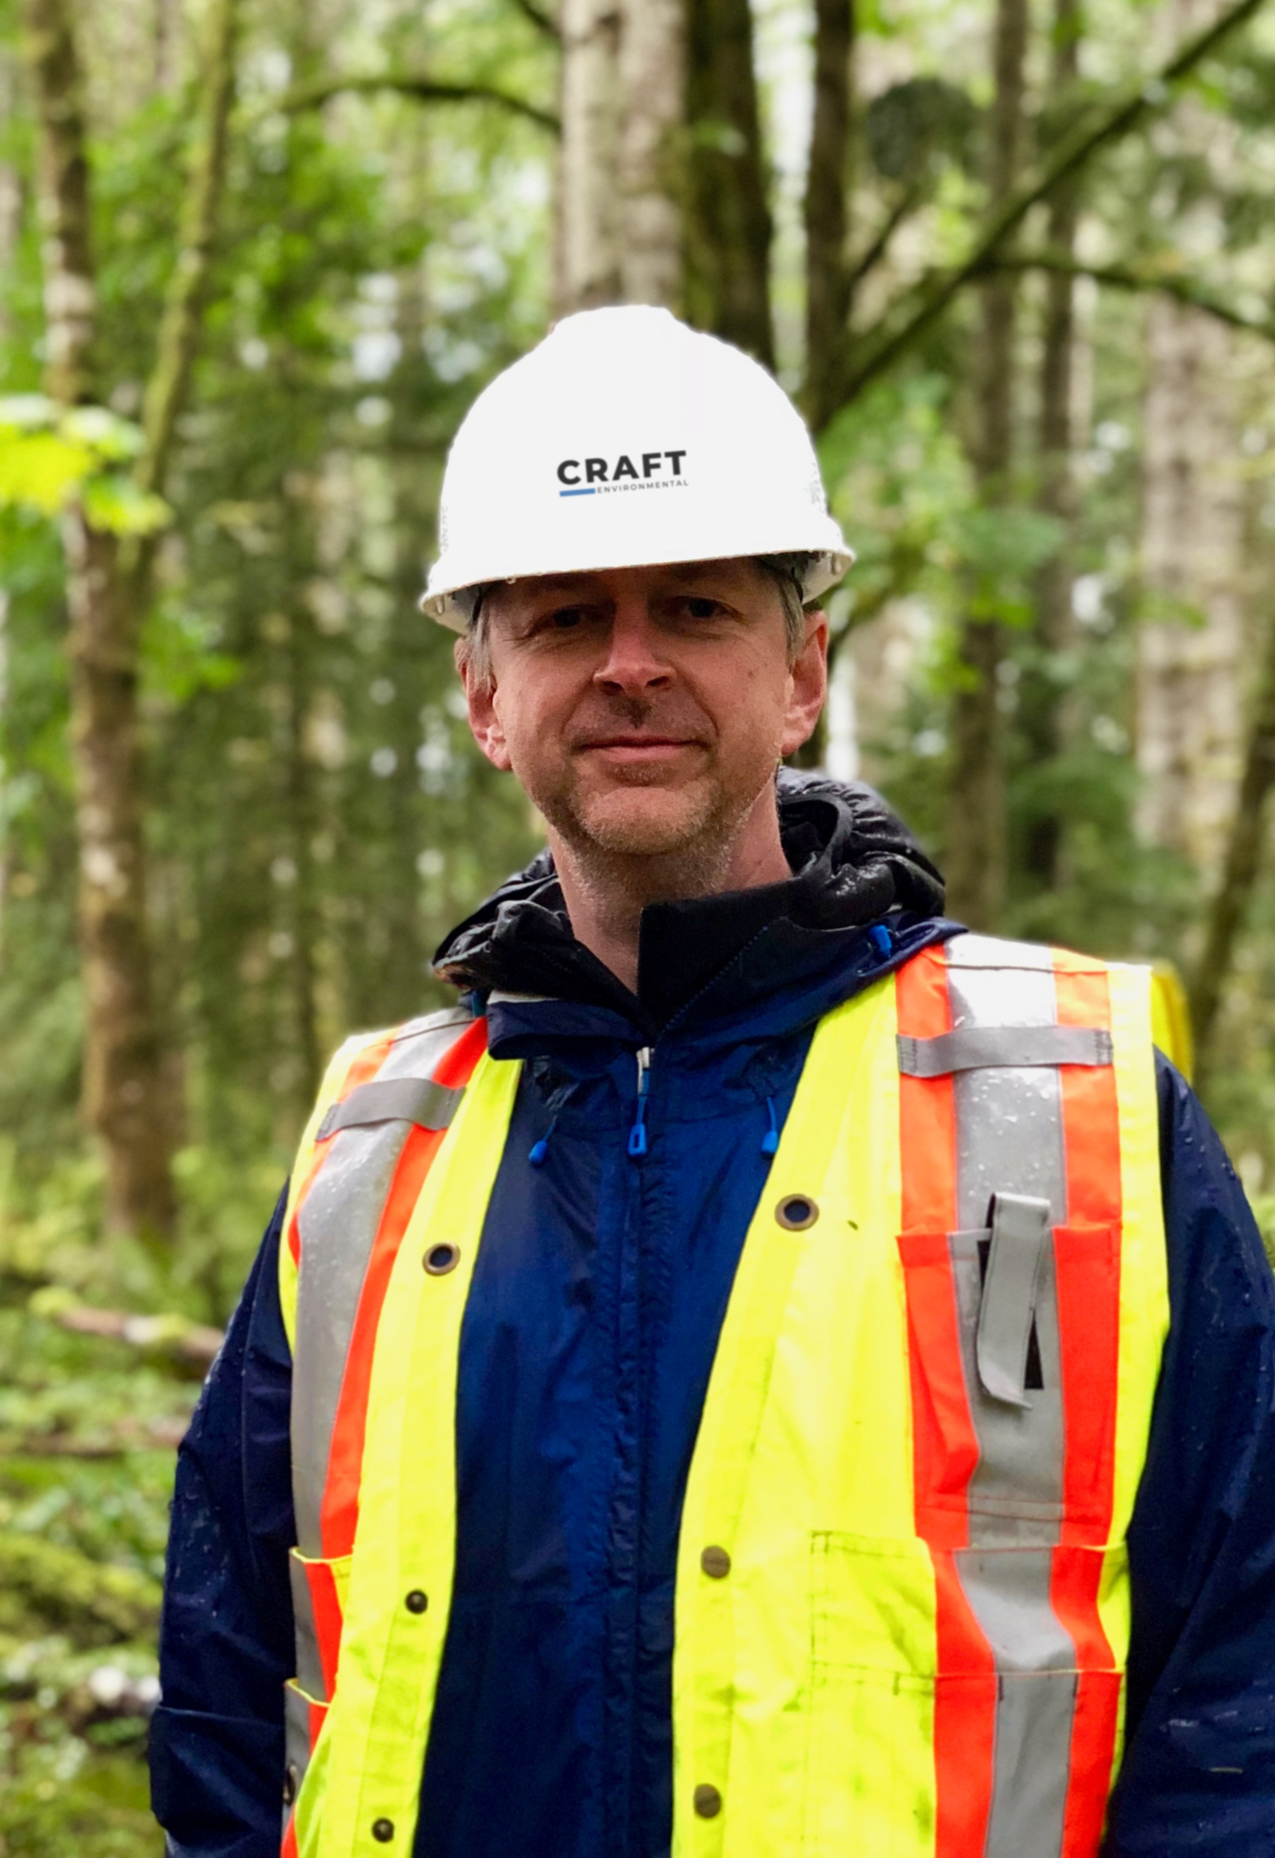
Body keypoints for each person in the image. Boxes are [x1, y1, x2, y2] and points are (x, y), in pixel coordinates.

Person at [150, 307, 1275, 1858]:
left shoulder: (1072, 1101)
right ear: (484, 698)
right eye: (561, 619)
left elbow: (1240, 1677)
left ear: (799, 669)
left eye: (690, 607)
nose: (629, 665)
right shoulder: (371, 1144)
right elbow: (223, 1669)